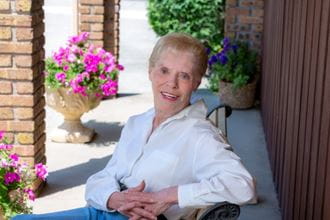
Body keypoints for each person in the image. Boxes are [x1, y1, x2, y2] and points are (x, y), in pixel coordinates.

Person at [13, 33, 256, 220]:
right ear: (150, 72)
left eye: (184, 76)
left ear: (196, 83)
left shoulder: (199, 134)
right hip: (103, 211)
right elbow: (103, 177)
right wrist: (114, 198)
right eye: (164, 70)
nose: (171, 83)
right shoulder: (136, 124)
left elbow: (243, 186)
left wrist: (168, 196)